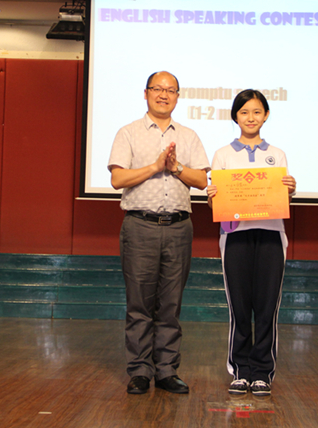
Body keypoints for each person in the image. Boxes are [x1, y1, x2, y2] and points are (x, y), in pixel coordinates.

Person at [107, 71, 210, 395]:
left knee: (170, 304)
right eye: (157, 89)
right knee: (139, 305)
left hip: (179, 227)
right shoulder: (128, 133)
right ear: (146, 93)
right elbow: (118, 179)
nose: (164, 95)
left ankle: (166, 371)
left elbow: (202, 181)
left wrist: (175, 167)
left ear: (178, 96)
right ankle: (140, 371)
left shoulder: (189, 136)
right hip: (140, 226)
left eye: (170, 90)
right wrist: (155, 166)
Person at [207, 89, 296, 396]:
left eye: (257, 112)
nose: (250, 118)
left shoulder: (277, 154)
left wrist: (290, 189)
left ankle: (262, 372)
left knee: (267, 306)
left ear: (266, 115)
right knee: (240, 307)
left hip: (271, 234)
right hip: (235, 236)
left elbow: (282, 198)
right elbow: (215, 204)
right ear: (235, 117)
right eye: (244, 112)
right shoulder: (222, 154)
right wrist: (212, 197)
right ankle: (240, 371)